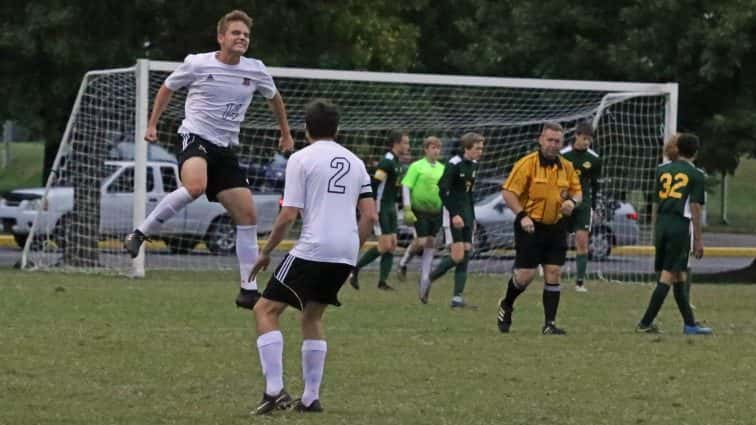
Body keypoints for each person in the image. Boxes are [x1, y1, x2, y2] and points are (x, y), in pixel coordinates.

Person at [122, 10, 293, 308]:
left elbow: (274, 99)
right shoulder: (198, 63)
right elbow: (167, 88)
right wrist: (151, 125)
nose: (242, 38)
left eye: (246, 35)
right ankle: (140, 233)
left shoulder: (255, 70)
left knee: (248, 216)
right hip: (194, 137)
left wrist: (286, 133)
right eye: (236, 33)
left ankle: (248, 290)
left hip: (224, 149)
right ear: (221, 37)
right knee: (196, 186)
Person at [248, 99, 378, 414]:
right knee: (311, 316)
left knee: (265, 310)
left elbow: (288, 213)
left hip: (314, 247)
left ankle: (274, 391)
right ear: (337, 129)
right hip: (345, 251)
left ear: (306, 129)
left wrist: (265, 252)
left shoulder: (301, 159)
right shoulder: (356, 162)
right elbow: (370, 216)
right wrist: (351, 253)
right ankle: (310, 397)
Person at [497, 122, 582, 334]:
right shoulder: (527, 164)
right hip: (530, 226)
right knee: (526, 275)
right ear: (540, 140)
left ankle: (549, 324)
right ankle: (506, 304)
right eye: (550, 140)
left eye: (557, 141)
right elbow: (508, 193)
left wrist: (572, 202)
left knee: (553, 272)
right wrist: (522, 215)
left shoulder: (567, 167)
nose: (553, 145)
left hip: (555, 226)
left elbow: (578, 192)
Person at [636, 133, 712, 335]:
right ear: (695, 152)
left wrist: (655, 229)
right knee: (669, 274)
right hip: (680, 226)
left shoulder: (661, 170)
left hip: (662, 224)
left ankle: (690, 324)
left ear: (677, 148)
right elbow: (695, 207)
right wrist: (698, 239)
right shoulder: (696, 175)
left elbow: (655, 203)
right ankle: (645, 323)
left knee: (679, 274)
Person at [426, 133, 485, 307]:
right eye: (477, 148)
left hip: (468, 214)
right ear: (467, 148)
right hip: (454, 215)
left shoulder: (474, 165)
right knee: (457, 255)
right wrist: (454, 214)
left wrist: (471, 216)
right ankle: (428, 278)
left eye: (482, 148)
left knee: (466, 252)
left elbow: (468, 193)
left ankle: (457, 298)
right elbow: (443, 191)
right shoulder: (453, 164)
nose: (480, 151)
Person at [350, 131, 411, 290]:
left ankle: (382, 282)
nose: (408, 146)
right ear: (396, 143)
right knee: (384, 245)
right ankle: (356, 268)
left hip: (391, 208)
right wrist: (372, 208)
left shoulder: (397, 162)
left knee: (392, 245)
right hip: (381, 207)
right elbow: (374, 184)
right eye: (405, 143)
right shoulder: (387, 162)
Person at [397, 137, 445, 301]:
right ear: (425, 149)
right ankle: (403, 262)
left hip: (436, 212)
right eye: (433, 147)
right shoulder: (417, 166)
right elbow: (406, 186)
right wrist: (407, 207)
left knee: (431, 243)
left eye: (438, 148)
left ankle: (424, 285)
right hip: (419, 210)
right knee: (422, 241)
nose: (436, 151)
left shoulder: (442, 168)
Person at [561, 121, 602, 292]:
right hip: (564, 202)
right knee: (558, 240)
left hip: (583, 204)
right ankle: (551, 271)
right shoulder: (563, 156)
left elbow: (594, 185)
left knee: (582, 242)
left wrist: (594, 207)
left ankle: (579, 282)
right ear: (576, 136)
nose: (586, 142)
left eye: (589, 139)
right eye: (584, 138)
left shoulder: (594, 159)